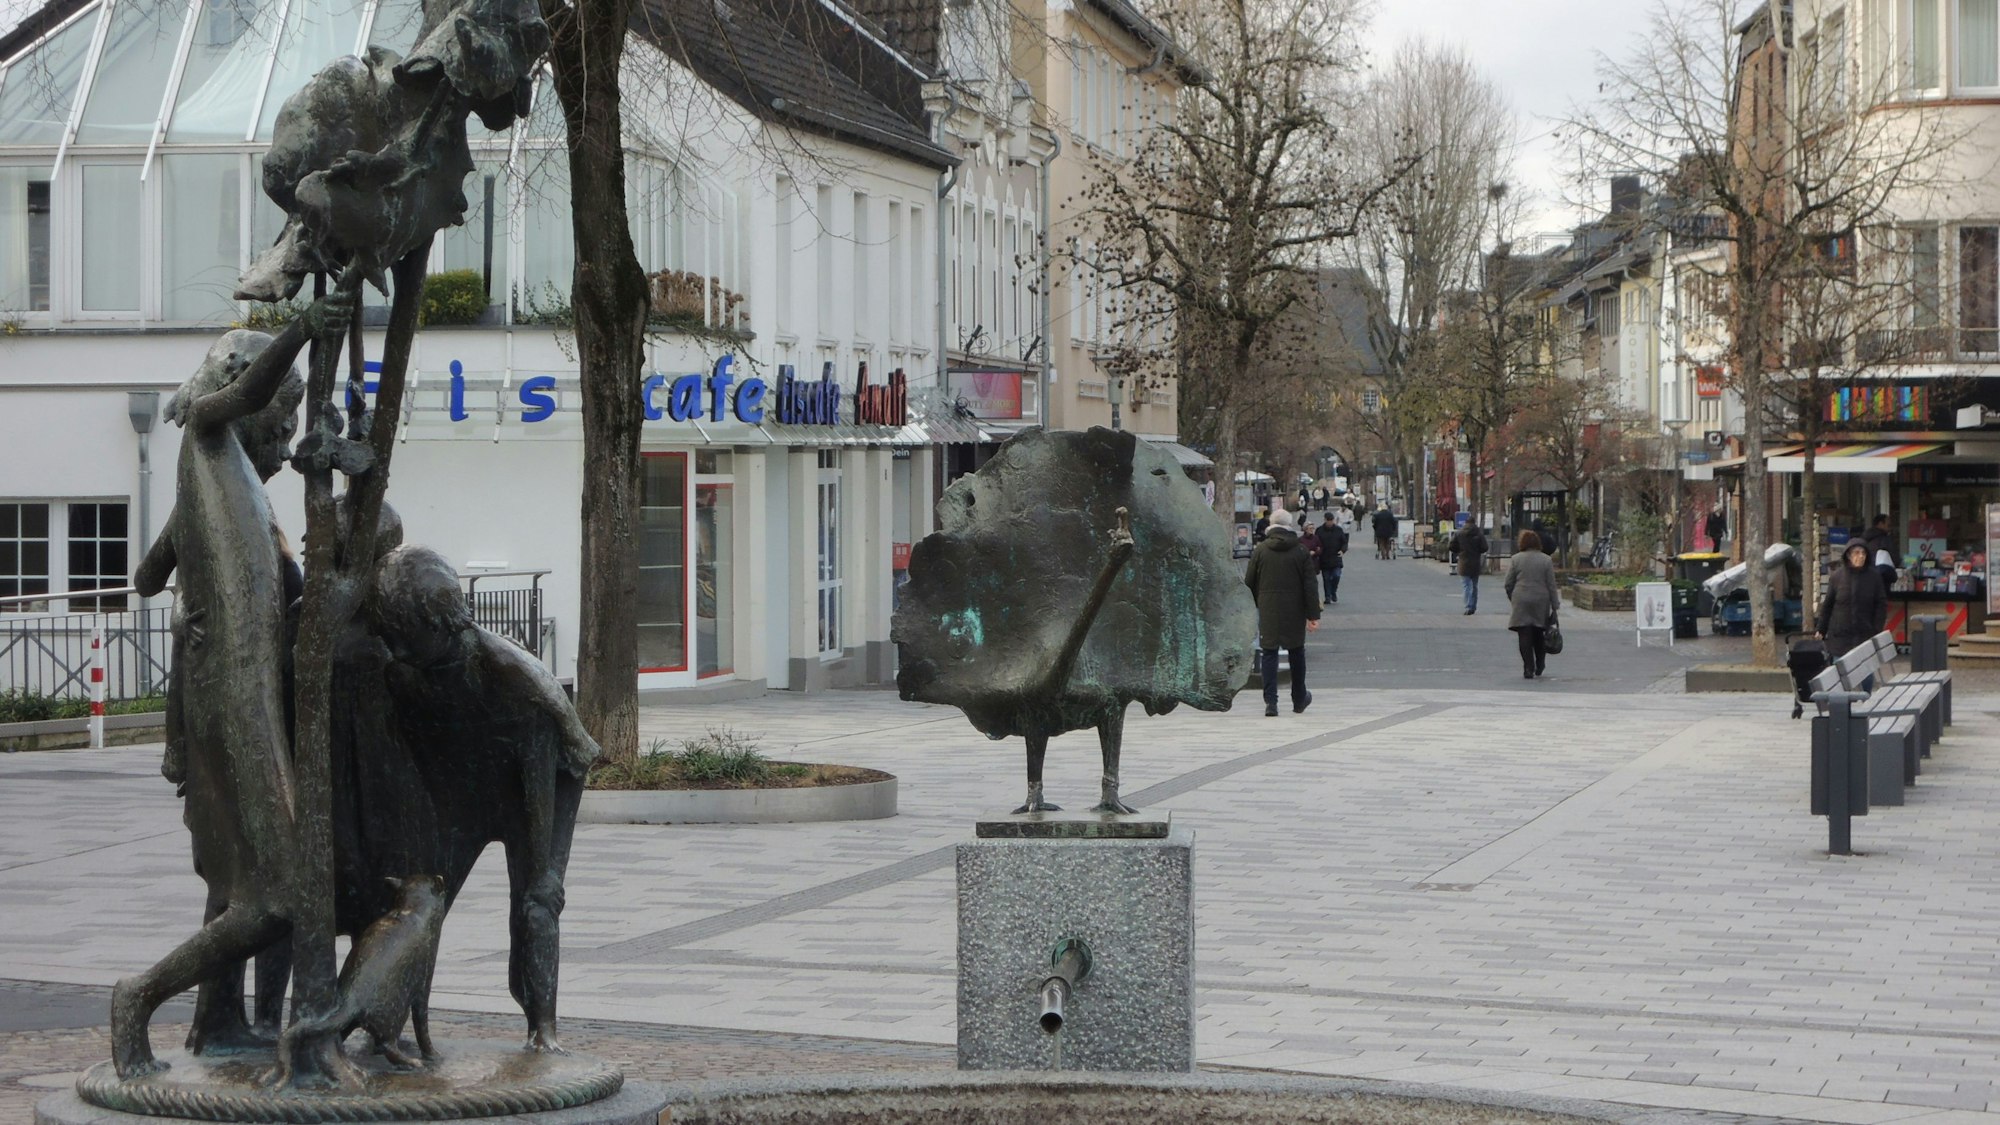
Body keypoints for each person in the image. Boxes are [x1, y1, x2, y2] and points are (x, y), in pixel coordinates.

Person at [1244, 509, 1321, 717]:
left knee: (1269, 652)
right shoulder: (1301, 551)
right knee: (1296, 652)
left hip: (1268, 607)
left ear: (1271, 524)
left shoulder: (1261, 550)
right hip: (1294, 608)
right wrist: (1313, 616)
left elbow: (1249, 582)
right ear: (1289, 525)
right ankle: (1299, 699)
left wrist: (1251, 607)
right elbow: (1310, 586)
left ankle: (1271, 702)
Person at [1818, 540, 1889, 661]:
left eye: (1863, 553)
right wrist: (1821, 629)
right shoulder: (1837, 577)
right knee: (1842, 675)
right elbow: (1828, 605)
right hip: (1840, 638)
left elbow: (1881, 605)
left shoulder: (1874, 577)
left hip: (1865, 636)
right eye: (1856, 553)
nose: (1860, 556)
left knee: (1866, 676)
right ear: (1848, 555)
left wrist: (1876, 629)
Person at [1504, 529, 1560, 680]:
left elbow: (1508, 583)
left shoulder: (1516, 559)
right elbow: (1551, 584)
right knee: (1538, 633)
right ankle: (1540, 663)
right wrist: (1555, 605)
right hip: (1541, 601)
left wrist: (1513, 597)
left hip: (1521, 599)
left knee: (1524, 634)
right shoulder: (1546, 560)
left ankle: (1528, 667)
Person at [1451, 522, 1490, 615]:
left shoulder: (1459, 533)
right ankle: (1473, 606)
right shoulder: (1479, 534)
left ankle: (1468, 606)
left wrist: (1459, 551)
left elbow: (1451, 545)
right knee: (1474, 585)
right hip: (1475, 563)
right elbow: (1485, 547)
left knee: (1466, 585)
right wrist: (1477, 551)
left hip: (1463, 563)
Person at [1314, 510, 1347, 603]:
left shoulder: (1338, 530)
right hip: (1324, 558)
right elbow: (1316, 542)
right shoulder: (1319, 530)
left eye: (1331, 520)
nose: (1330, 522)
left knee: (1336, 576)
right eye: (1328, 520)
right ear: (1324, 520)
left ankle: (1333, 591)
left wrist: (1342, 550)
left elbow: (1344, 542)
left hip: (1336, 557)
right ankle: (1327, 596)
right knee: (1326, 578)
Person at [1862, 514, 1898, 592]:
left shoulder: (1865, 540)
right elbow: (1895, 559)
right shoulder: (1885, 540)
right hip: (1882, 580)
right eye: (1888, 525)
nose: (1890, 528)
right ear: (1880, 524)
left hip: (1866, 579)